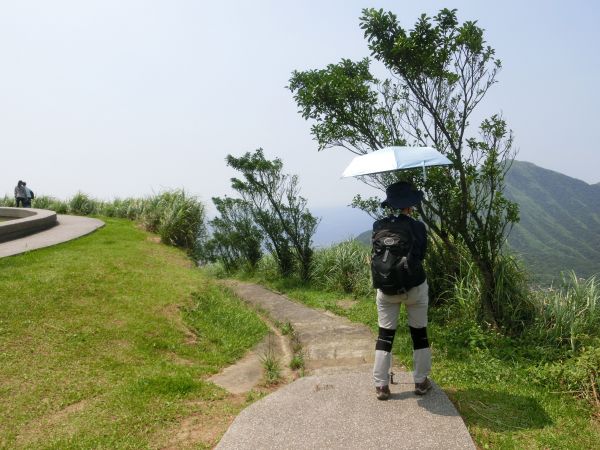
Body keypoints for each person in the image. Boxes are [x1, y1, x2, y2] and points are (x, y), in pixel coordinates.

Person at [371, 181, 432, 400]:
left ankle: (381, 385)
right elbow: (421, 255)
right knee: (419, 334)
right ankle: (421, 381)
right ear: (409, 205)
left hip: (386, 289)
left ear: (391, 204)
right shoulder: (417, 227)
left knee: (385, 335)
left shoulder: (378, 226)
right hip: (414, 287)